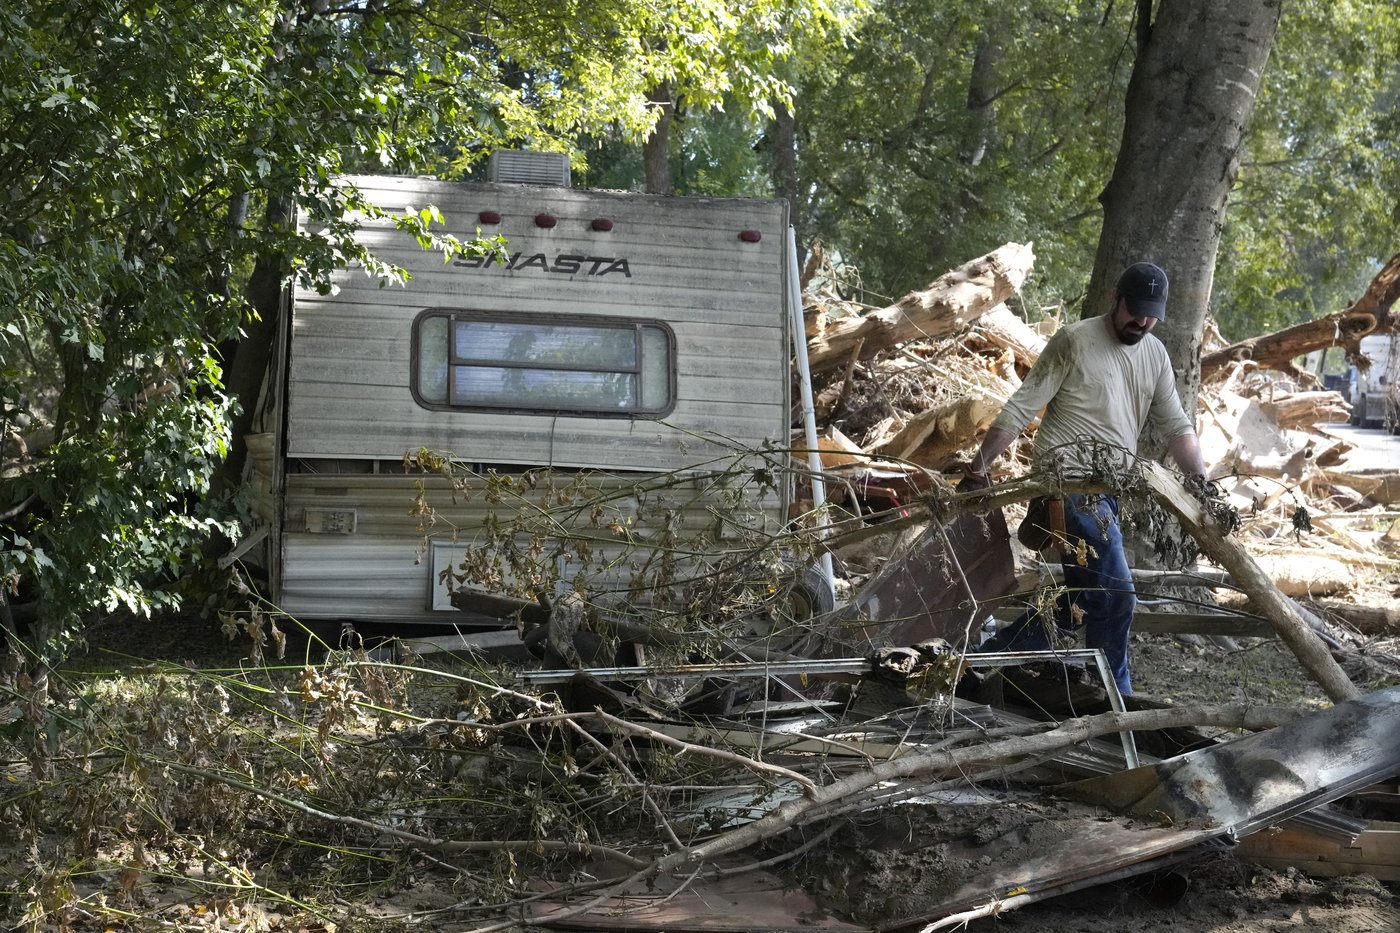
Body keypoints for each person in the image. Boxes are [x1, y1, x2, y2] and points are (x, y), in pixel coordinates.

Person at [960, 261, 1207, 696]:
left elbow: (1179, 428)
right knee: (1118, 594)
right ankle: (1117, 694)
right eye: (1136, 311)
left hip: (1108, 495)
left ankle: (985, 659)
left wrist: (1203, 485)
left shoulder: (1154, 355)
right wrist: (979, 467)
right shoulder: (1074, 341)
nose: (1143, 322)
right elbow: (1021, 408)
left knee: (1083, 597)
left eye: (1152, 315)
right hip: (1065, 489)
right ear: (1117, 299)